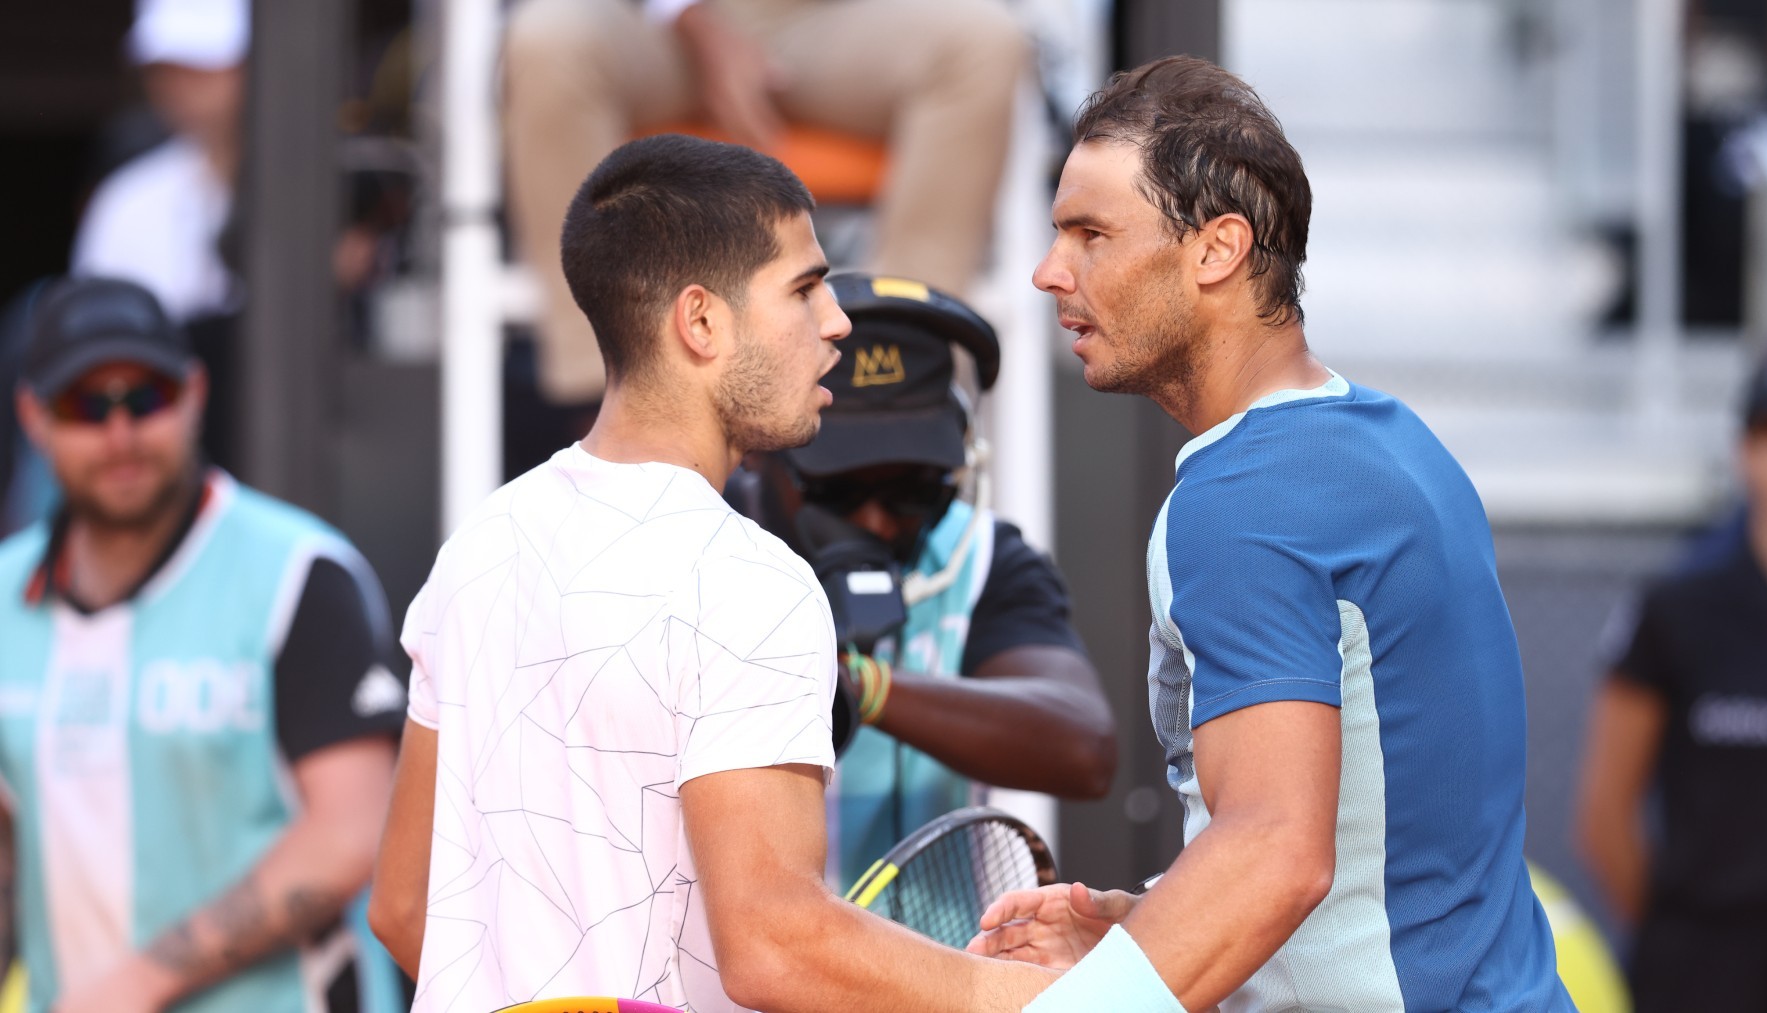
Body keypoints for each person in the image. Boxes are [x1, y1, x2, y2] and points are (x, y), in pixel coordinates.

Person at [368, 134, 1054, 1012]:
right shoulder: (748, 581)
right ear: (701, 321)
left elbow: (403, 906)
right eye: (805, 288)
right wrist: (1049, 997)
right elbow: (775, 945)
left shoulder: (478, 545)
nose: (839, 321)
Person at [966, 57, 1573, 1011]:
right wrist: (1149, 926)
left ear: (1217, 250)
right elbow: (1388, 844)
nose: (1051, 272)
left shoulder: (1244, 497)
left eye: (1090, 234)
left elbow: (1278, 854)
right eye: (1055, 235)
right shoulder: (1395, 442)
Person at [0, 276, 406, 1013]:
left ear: (194, 393)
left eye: (145, 397)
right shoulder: (4, 595)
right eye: (87, 405)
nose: (120, 433)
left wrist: (141, 982)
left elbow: (355, 831)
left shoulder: (295, 573)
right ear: (33, 417)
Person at [732, 272, 1115, 886]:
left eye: (914, 490)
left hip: (932, 968)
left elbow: (1084, 747)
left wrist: (861, 687)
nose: (878, 520)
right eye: (839, 491)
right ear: (764, 449)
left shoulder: (984, 557)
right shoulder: (703, 546)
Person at [501, 0, 1029, 407]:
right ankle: (615, 395)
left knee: (985, 42)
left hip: (842, 23)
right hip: (658, 26)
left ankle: (899, 381)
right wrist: (692, 19)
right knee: (548, 41)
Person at [1575, 340, 1767, 1012]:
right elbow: (1605, 814)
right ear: (1744, 454)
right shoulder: (1676, 608)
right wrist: (1684, 939)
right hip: (1705, 963)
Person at [72, 0, 247, 325]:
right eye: (163, 70)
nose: (176, 86)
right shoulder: (126, 204)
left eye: (199, 66)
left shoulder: (316, 196)